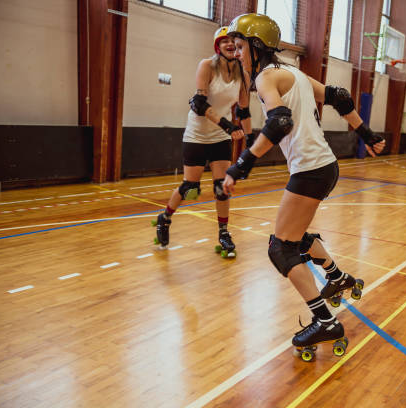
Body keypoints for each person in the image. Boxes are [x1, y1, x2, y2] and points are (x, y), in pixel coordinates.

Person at [222, 14, 385, 358]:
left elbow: (280, 121)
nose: (235, 54)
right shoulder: (293, 72)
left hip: (311, 170)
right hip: (323, 167)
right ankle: (336, 277)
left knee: (280, 249)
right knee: (296, 238)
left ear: (255, 46)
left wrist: (241, 166)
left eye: (238, 47)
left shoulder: (266, 78)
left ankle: (324, 321)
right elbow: (339, 96)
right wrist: (366, 134)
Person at [154, 27, 252, 257]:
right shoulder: (207, 65)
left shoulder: (244, 75)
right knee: (191, 188)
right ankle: (165, 218)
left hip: (219, 137)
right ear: (218, 45)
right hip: (197, 133)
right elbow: (198, 103)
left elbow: (244, 112)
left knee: (222, 187)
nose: (229, 44)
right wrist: (228, 126)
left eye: (233, 41)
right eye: (224, 41)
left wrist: (251, 144)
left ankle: (224, 233)